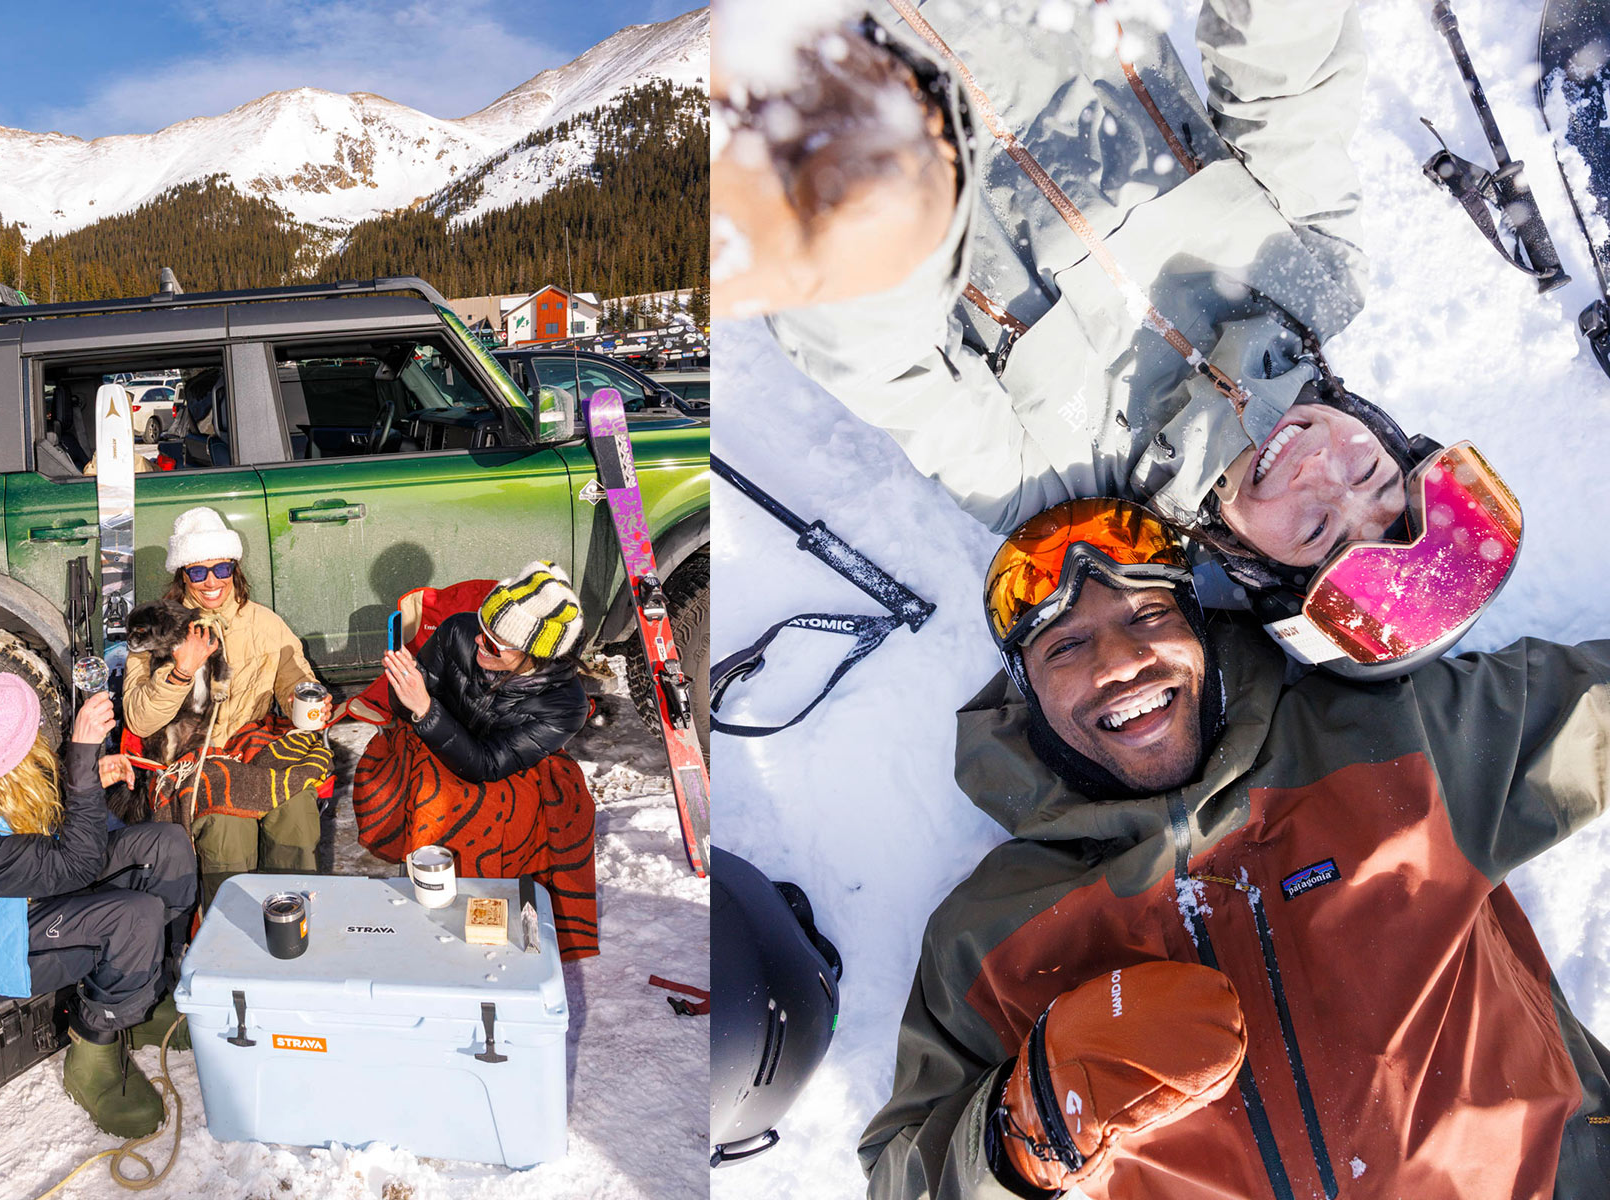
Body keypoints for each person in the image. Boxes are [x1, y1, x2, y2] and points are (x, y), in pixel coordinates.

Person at [860, 498, 1610, 1198]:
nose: (1119, 662)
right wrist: (1027, 1125)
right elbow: (902, 1174)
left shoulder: (1393, 746)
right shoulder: (991, 931)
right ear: (1030, 697)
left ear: (1200, 631)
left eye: (1148, 614)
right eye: (1067, 647)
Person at [713, 0, 1423, 588]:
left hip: (828, 64)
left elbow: (887, 366)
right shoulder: (1315, 276)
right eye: (1369, 471)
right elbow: (1289, 86)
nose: (1322, 472)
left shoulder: (1043, 482)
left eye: (1315, 529)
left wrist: (864, 232)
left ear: (1254, 565)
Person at [0, 672, 196, 1139]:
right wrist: (80, 763)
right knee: (133, 918)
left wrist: (86, 781)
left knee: (167, 846)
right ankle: (93, 1048)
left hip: (26, 879)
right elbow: (74, 866)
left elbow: (17, 802)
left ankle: (145, 997)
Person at [350, 562, 598, 959]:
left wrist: (426, 709)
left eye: (496, 644)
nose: (481, 643)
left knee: (489, 809)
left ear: (534, 654)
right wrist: (406, 689)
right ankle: (432, 907)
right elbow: (405, 708)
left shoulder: (566, 705)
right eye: (483, 630)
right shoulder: (458, 631)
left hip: (507, 765)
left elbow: (488, 766)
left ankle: (486, 916)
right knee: (435, 790)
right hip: (437, 737)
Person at [123, 506, 321, 907]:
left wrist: (306, 697)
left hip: (254, 744)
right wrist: (182, 670)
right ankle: (225, 932)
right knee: (228, 829)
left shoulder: (264, 623)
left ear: (235, 569)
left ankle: (294, 913)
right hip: (192, 757)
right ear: (183, 576)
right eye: (198, 572)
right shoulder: (157, 629)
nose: (212, 581)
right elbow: (139, 721)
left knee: (297, 811)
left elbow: (295, 678)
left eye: (221, 569)